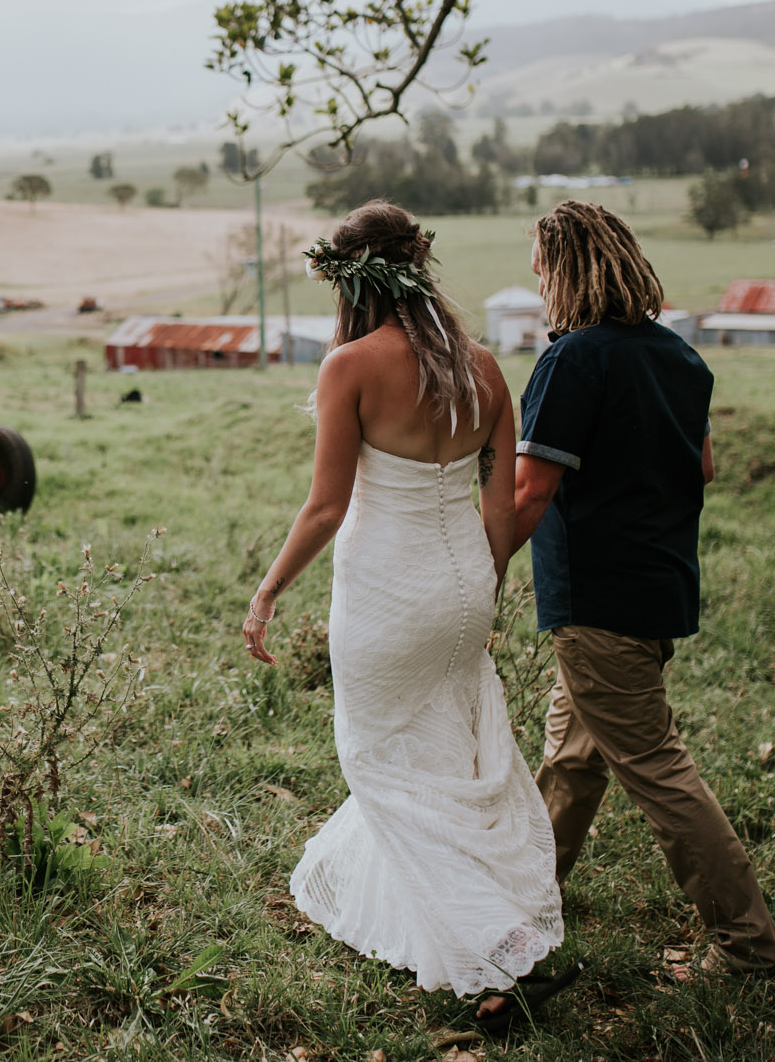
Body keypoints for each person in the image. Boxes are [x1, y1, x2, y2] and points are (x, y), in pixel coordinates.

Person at [243, 200, 570, 1030]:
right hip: (465, 583)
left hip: (387, 590)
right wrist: (481, 588)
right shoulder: (485, 368)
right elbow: (502, 508)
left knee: (377, 760)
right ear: (417, 265)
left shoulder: (350, 365)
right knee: (447, 755)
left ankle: (493, 955)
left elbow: (325, 507)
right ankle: (488, 916)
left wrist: (269, 588)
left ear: (353, 277)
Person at [512, 199, 775, 984]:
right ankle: (518, 913)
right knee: (572, 761)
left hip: (595, 598)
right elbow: (699, 465)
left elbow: (531, 487)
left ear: (564, 269)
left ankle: (749, 948)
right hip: (656, 586)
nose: (535, 283)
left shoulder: (573, 360)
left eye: (540, 268)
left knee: (658, 768)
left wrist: (481, 560)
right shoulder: (680, 358)